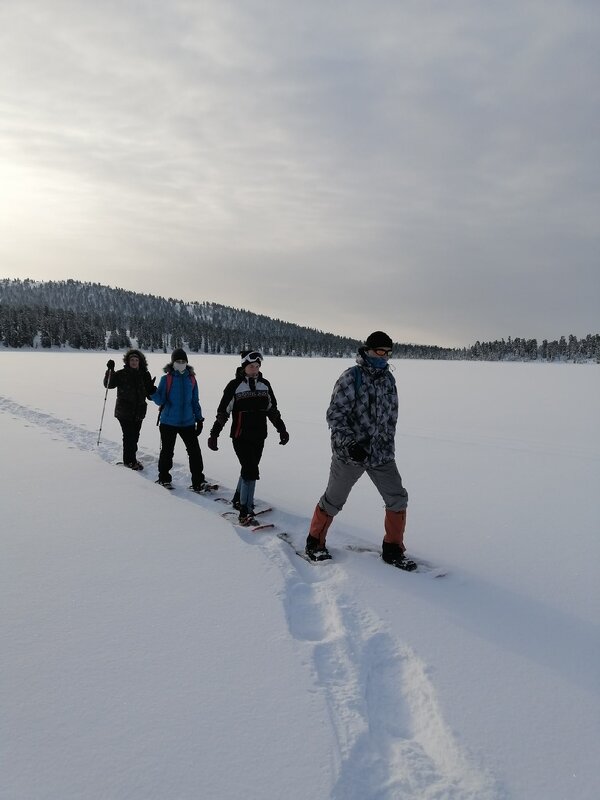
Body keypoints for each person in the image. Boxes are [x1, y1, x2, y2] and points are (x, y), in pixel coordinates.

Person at [305, 331, 417, 570]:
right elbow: (335, 415)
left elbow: (391, 418)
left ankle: (393, 550)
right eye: (380, 352)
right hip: (350, 454)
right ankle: (315, 542)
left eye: (388, 353)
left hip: (381, 455)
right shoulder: (351, 377)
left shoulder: (389, 381)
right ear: (368, 350)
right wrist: (349, 444)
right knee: (333, 500)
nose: (385, 357)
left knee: (397, 498)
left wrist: (387, 445)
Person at [207, 350, 289, 525]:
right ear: (244, 367)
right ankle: (245, 510)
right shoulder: (234, 385)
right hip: (240, 435)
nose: (255, 369)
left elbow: (272, 410)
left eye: (257, 366)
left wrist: (281, 429)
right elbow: (223, 411)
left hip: (259, 435)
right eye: (251, 366)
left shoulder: (265, 385)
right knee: (251, 470)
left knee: (249, 468)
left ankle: (238, 498)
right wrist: (214, 434)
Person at [151, 348, 209, 492]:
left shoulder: (192, 379)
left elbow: (195, 401)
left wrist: (199, 419)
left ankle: (198, 481)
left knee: (194, 452)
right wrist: (152, 392)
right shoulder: (167, 379)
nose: (181, 363)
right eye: (178, 361)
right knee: (167, 452)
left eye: (183, 361)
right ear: (173, 362)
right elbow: (160, 400)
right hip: (168, 422)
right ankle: (164, 478)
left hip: (188, 422)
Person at [103, 348, 156, 469]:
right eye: (131, 359)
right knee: (129, 436)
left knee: (135, 436)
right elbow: (108, 384)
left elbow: (149, 394)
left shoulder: (145, 374)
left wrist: (153, 390)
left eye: (136, 360)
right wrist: (110, 370)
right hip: (124, 411)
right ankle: (129, 461)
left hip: (139, 411)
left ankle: (132, 458)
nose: (134, 362)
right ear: (128, 361)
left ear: (140, 362)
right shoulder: (121, 374)